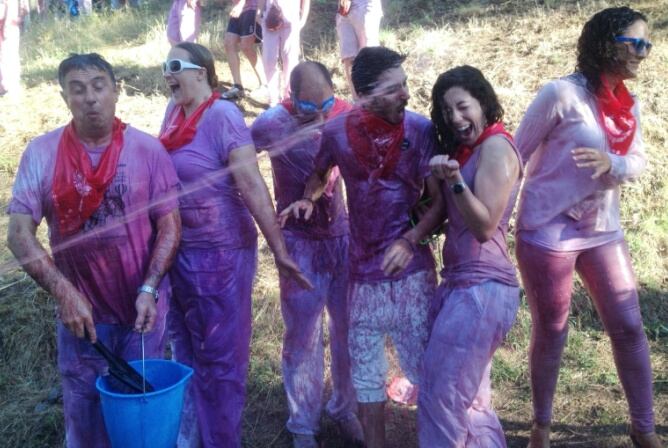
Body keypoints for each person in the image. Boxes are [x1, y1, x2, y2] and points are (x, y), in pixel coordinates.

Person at [6, 53, 181, 448]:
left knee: (140, 408)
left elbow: (170, 225)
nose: (90, 98)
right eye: (78, 89)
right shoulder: (41, 154)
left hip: (141, 309)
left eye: (99, 86)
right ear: (64, 96)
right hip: (80, 317)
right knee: (84, 410)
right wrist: (64, 294)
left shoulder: (147, 151)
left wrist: (151, 286)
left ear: (117, 90)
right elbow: (18, 234)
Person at [280, 46, 443, 448]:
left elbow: (438, 203)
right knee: (367, 378)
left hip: (412, 272)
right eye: (394, 88)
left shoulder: (421, 130)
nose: (406, 94)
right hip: (361, 274)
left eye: (405, 84)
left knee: (427, 372)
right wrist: (309, 197)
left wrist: (410, 238)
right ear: (366, 94)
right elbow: (320, 174)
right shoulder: (336, 132)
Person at [513, 7, 660, 448]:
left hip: (602, 229)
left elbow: (638, 160)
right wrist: (492, 227)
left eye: (647, 45)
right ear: (605, 42)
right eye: (635, 43)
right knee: (552, 329)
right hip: (547, 230)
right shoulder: (560, 94)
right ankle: (541, 426)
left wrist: (612, 162)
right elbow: (514, 156)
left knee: (629, 327)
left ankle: (644, 429)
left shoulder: (625, 103)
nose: (643, 53)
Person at [159, 42, 311, 448]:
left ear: (202, 72)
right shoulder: (173, 113)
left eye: (175, 65)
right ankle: (191, 438)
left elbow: (252, 186)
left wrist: (279, 251)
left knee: (221, 360)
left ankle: (223, 440)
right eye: (164, 67)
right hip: (180, 252)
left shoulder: (223, 114)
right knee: (186, 351)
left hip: (222, 256)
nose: (167, 74)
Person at [251, 61, 363, 448]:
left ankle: (345, 407)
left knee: (348, 329)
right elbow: (238, 163)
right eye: (306, 107)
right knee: (302, 336)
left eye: (325, 103)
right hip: (297, 242)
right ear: (289, 95)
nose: (318, 114)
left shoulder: (345, 114)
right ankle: (303, 424)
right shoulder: (270, 123)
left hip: (342, 238)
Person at [417, 66, 522, 447]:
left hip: (482, 289)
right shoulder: (466, 152)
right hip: (462, 284)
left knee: (440, 396)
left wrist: (456, 180)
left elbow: (484, 225)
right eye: (447, 112)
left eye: (463, 106)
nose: (456, 118)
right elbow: (440, 215)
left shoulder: (497, 146)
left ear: (483, 103)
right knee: (472, 402)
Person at [257, 0, 310, 105]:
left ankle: (289, 98)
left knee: (290, 60)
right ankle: (273, 98)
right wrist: (258, 14)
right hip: (270, 19)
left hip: (291, 20)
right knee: (269, 59)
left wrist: (303, 19)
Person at [336, 0, 382, 99]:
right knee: (349, 58)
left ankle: (373, 100)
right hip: (343, 9)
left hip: (365, 4)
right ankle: (358, 103)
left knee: (368, 53)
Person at [221, 0, 267, 100]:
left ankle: (265, 84)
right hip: (238, 8)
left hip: (252, 8)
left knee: (246, 46)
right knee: (229, 43)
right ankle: (238, 86)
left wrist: (241, 4)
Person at [0, 0, 27, 96]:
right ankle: (11, 84)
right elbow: (24, 10)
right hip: (11, 27)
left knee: (5, 57)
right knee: (10, 56)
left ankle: (6, 86)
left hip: (6, 28)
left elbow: (3, 12)